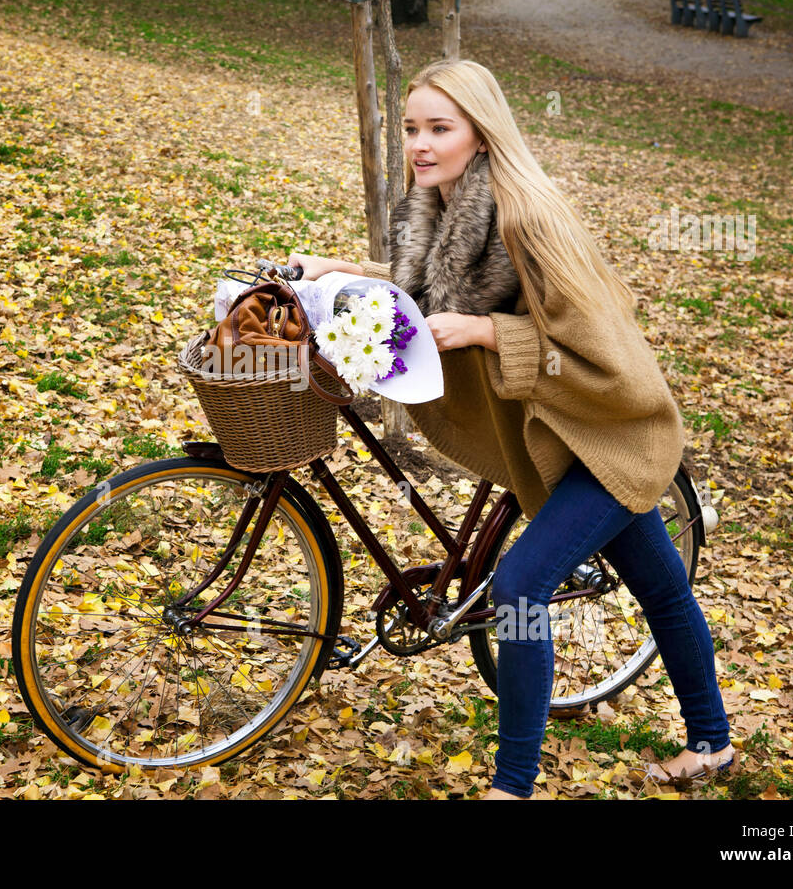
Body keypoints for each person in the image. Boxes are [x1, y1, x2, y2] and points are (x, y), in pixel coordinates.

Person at [288, 59, 733, 800]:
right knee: (661, 586)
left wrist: (489, 333)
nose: (421, 145)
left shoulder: (530, 217)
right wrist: (332, 270)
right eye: (411, 128)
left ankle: (513, 786)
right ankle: (713, 744)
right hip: (553, 434)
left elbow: (604, 351)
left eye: (440, 128)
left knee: (520, 589)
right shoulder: (434, 205)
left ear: (481, 132)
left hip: (611, 429)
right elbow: (423, 288)